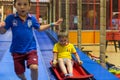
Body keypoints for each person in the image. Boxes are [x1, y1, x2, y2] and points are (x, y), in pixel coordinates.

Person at [0, 0, 63, 80]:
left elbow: (39, 28)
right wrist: (1, 27)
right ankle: (24, 79)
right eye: (19, 4)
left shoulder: (32, 18)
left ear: (29, 6)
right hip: (16, 50)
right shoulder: (11, 18)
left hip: (31, 48)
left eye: (25, 4)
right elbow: (2, 32)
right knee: (19, 73)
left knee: (34, 67)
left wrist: (52, 24)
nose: (22, 7)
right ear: (15, 5)